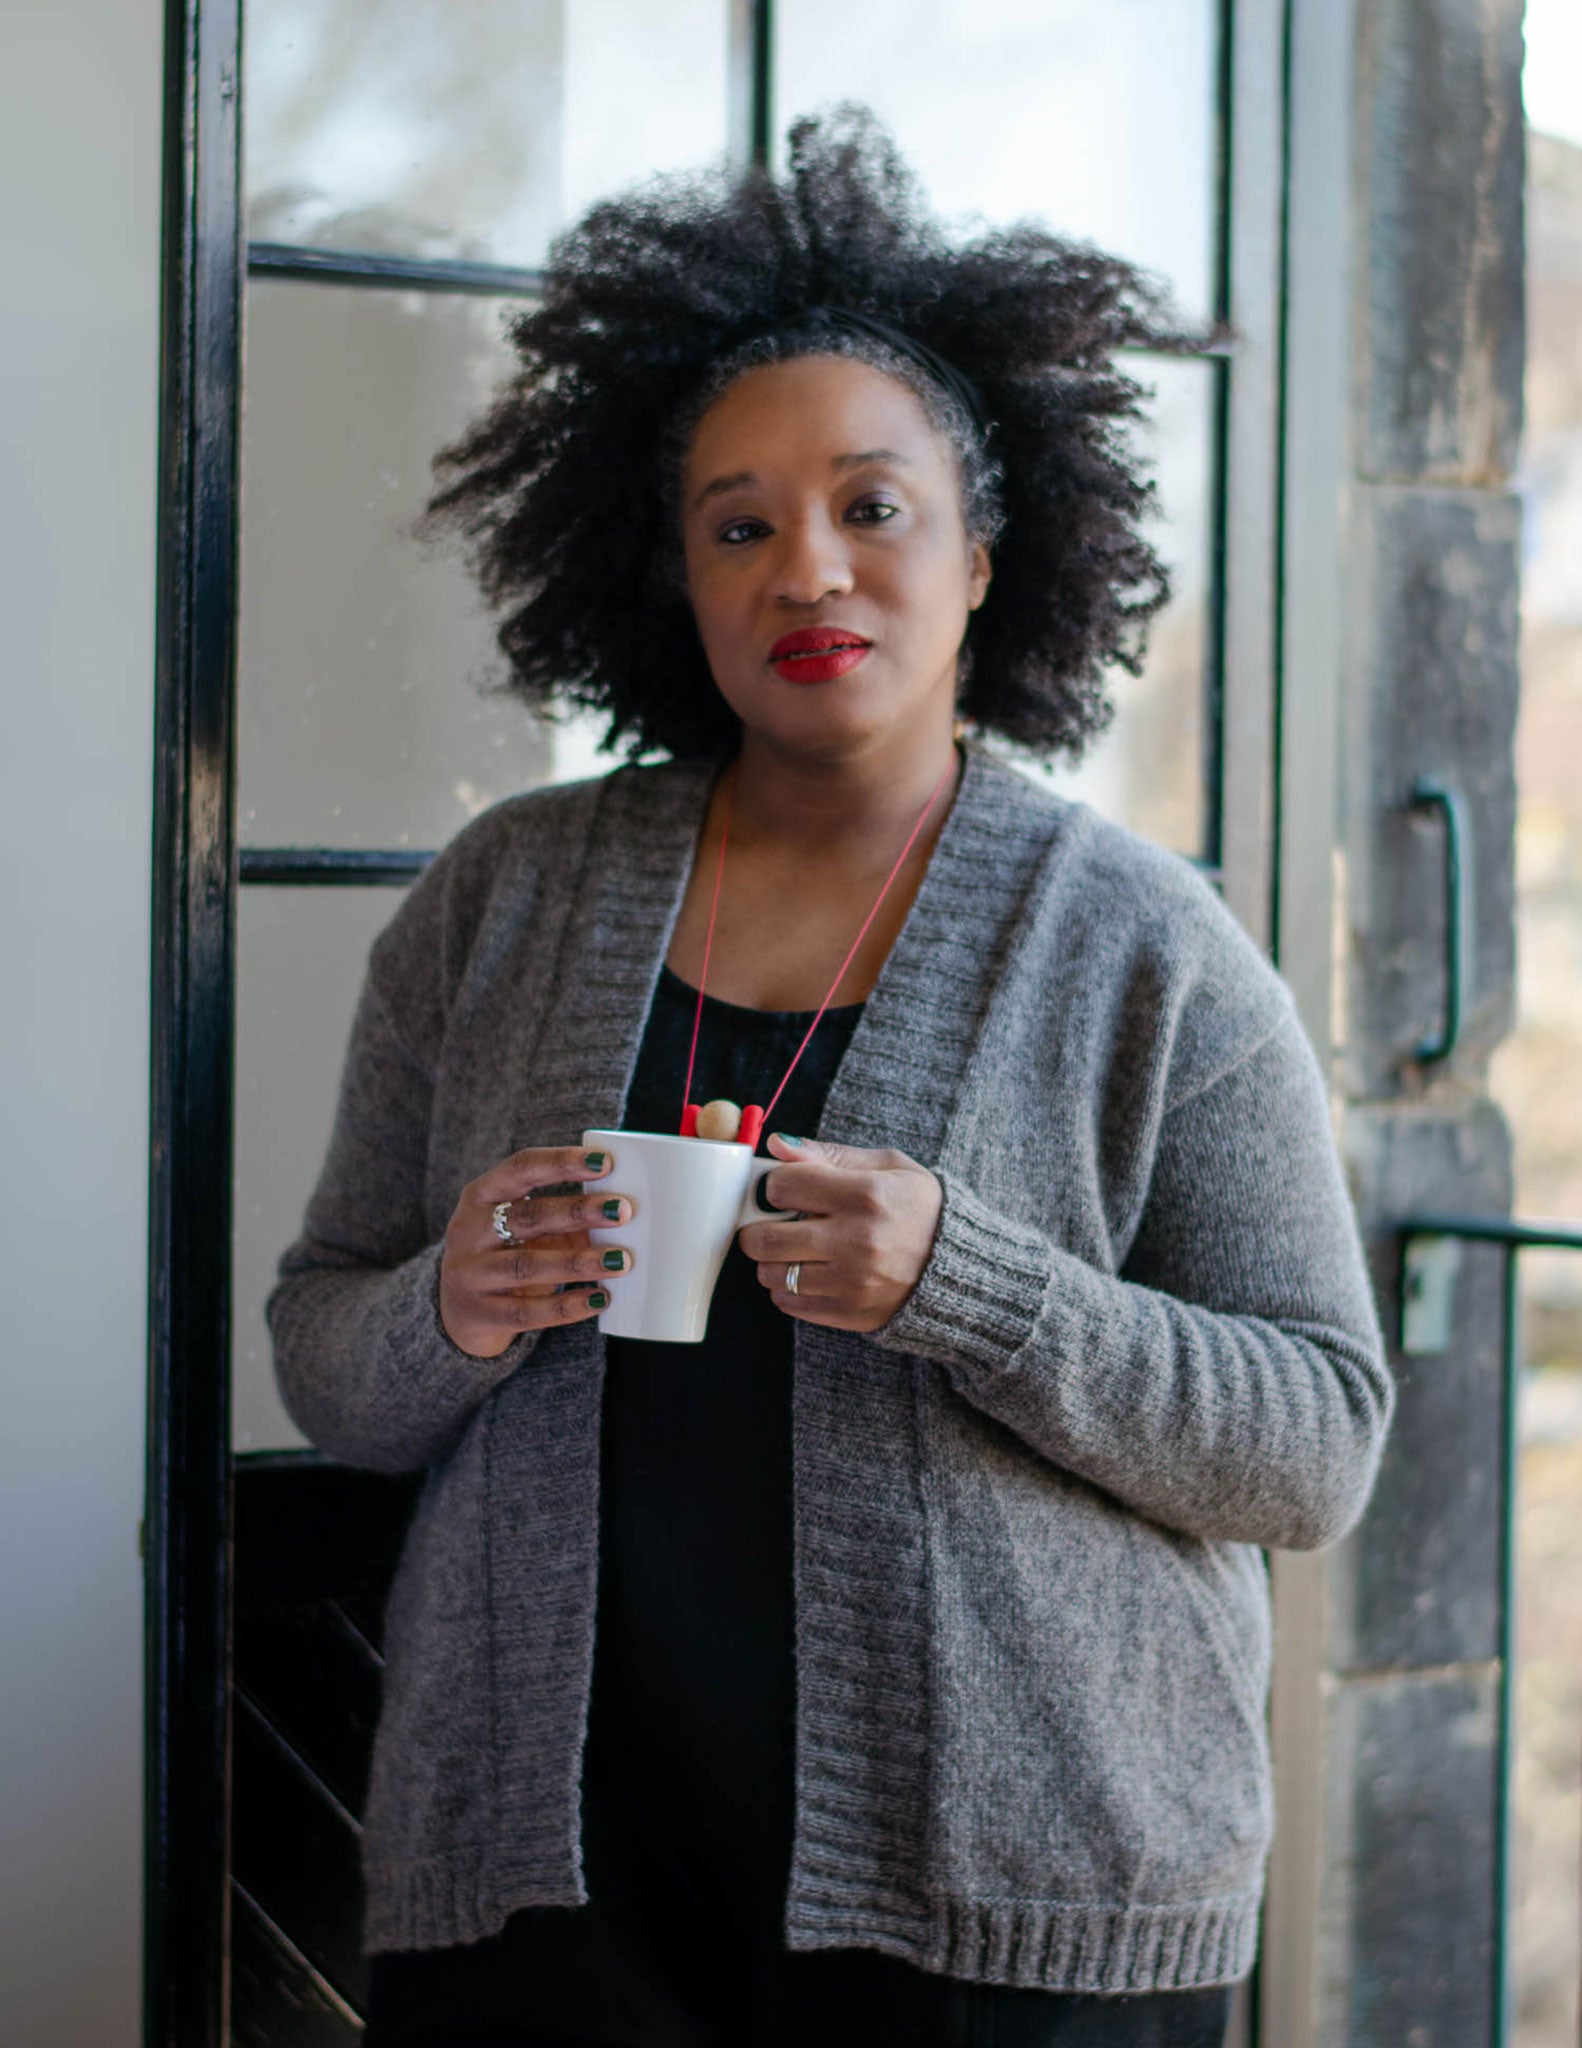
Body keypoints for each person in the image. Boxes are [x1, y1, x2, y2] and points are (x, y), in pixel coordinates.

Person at [268, 105, 1393, 2048]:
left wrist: (968, 1280)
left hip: (1008, 1909)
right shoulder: (504, 899)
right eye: (738, 522)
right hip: (554, 1889)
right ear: (674, 581)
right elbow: (325, 1343)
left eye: (873, 506)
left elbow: (1309, 1440)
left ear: (982, 554)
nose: (808, 566)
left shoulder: (1145, 948)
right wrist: (446, 1304)